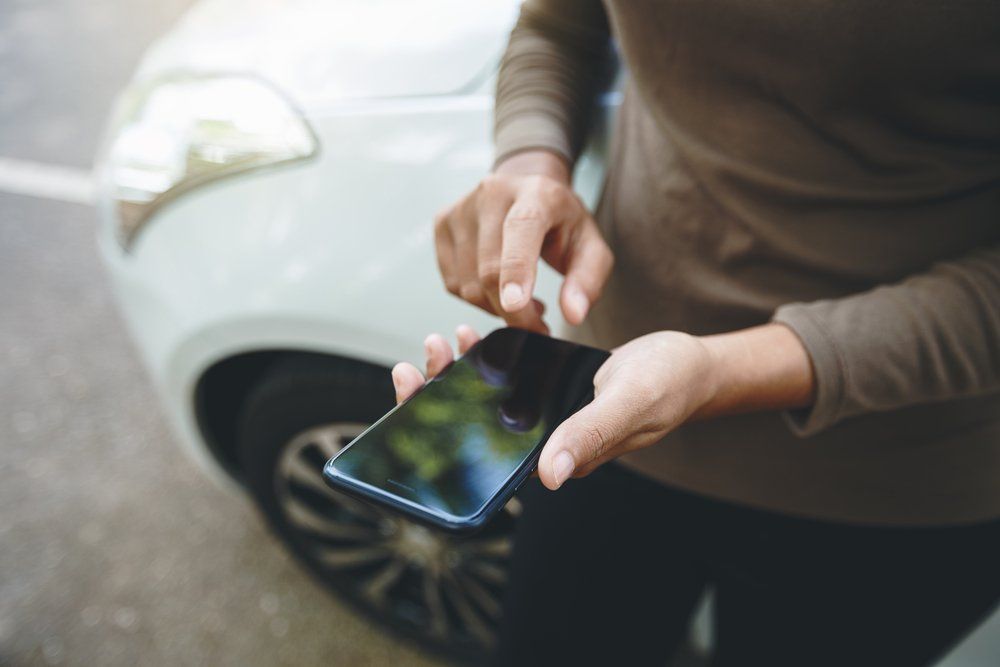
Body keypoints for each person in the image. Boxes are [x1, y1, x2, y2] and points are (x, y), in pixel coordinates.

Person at [392, 1, 1000, 665]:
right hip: (601, 405)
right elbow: (558, 25)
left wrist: (717, 370)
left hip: (891, 488)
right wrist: (527, 166)